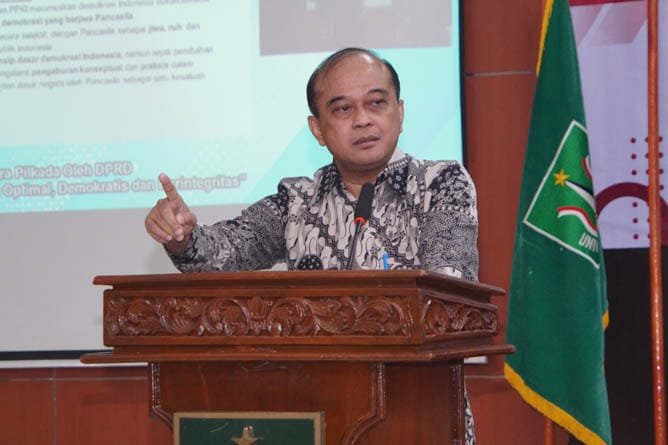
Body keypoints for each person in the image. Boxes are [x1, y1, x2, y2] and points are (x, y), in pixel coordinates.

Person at [144, 47, 478, 443]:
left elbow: (448, 286)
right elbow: (222, 253)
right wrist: (183, 236)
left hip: (420, 411)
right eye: (342, 109)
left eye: (377, 103)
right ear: (317, 129)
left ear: (400, 112)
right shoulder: (297, 201)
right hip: (315, 413)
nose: (363, 119)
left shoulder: (441, 184)